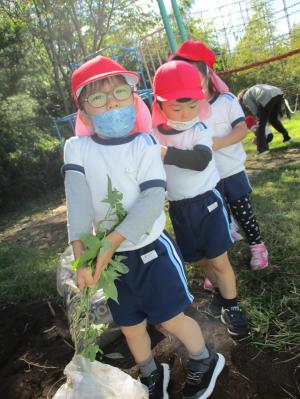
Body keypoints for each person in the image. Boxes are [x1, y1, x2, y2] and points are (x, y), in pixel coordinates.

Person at [62, 55, 225, 399]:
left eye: (120, 93)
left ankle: (204, 359)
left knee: (169, 319)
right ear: (83, 110)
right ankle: (152, 373)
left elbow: (152, 201)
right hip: (111, 263)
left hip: (150, 251)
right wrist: (82, 258)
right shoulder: (76, 148)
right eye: (99, 98)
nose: (113, 104)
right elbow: (77, 204)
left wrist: (108, 245)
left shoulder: (145, 144)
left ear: (133, 97)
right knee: (131, 326)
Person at [151, 59, 250, 340]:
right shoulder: (153, 135)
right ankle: (220, 294)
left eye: (192, 105)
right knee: (202, 260)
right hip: (180, 208)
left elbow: (200, 160)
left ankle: (233, 306)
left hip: (208, 203)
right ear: (159, 106)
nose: (185, 113)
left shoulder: (200, 129)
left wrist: (165, 153)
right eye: (177, 107)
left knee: (219, 260)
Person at [169, 39, 269, 275]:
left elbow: (242, 129)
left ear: (208, 74)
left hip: (231, 171)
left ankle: (257, 244)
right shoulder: (189, 109)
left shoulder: (226, 101)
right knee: (217, 216)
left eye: (194, 76)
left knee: (242, 210)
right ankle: (221, 260)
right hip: (208, 179)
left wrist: (220, 143)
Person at [238, 84, 292, 154]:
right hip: (278, 93)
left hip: (267, 96)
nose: (244, 104)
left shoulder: (245, 97)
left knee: (261, 124)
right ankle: (287, 137)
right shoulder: (253, 90)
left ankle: (262, 149)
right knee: (273, 119)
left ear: (241, 98)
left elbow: (255, 110)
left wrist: (259, 119)